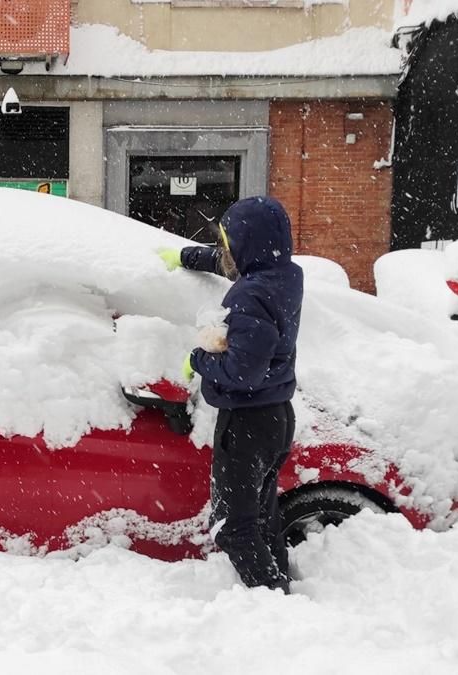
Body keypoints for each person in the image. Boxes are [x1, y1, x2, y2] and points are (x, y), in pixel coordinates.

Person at [157, 196, 303, 592]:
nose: (225, 250)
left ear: (244, 244)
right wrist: (185, 256)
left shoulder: (248, 296)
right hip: (277, 416)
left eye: (228, 241)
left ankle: (271, 598)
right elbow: (234, 264)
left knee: (233, 527)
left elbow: (243, 372)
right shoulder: (287, 275)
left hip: (246, 422)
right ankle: (280, 585)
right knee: (262, 513)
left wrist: (198, 359)